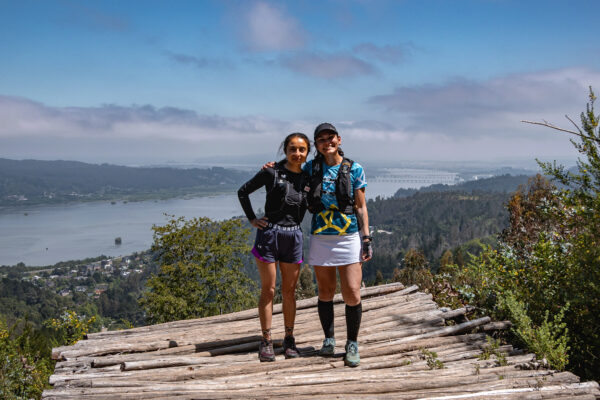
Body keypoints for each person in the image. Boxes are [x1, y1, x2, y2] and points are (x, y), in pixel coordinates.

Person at [237, 133, 311, 362]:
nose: (297, 153)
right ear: (285, 150)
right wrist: (252, 219)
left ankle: (289, 339)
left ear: (307, 152)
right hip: (269, 235)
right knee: (268, 290)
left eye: (301, 149)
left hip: (293, 237)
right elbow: (243, 191)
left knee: (289, 292)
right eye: (292, 149)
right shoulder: (272, 172)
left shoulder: (309, 176)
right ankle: (267, 340)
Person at [306, 122, 372, 368]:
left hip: (348, 236)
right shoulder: (311, 168)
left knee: (352, 292)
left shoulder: (354, 168)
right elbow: (289, 172)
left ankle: (352, 343)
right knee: (325, 292)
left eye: (330, 137)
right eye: (321, 139)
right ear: (317, 145)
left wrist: (366, 239)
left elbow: (361, 206)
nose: (327, 142)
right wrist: (271, 168)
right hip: (321, 235)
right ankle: (329, 339)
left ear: (339, 139)